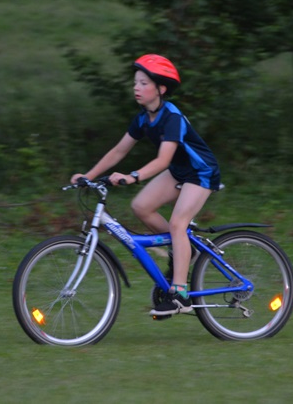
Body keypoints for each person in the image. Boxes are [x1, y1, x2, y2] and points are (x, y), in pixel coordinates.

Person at [70, 54, 221, 316]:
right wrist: (89, 175)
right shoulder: (143, 118)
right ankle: (183, 249)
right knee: (141, 206)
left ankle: (181, 295)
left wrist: (133, 176)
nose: (136, 88)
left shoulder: (171, 117)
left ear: (160, 88)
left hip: (201, 172)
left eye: (143, 83)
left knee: (178, 223)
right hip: (179, 171)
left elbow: (163, 159)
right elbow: (119, 150)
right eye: (135, 83)